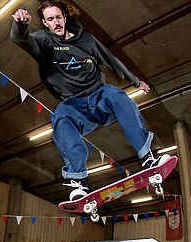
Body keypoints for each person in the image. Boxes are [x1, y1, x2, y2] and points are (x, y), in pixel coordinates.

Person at [10, 1, 168, 201]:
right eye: (50, 19)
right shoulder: (43, 41)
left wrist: (135, 82)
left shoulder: (88, 41)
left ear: (65, 18)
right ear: (44, 22)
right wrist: (21, 25)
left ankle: (148, 158)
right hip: (76, 107)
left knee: (117, 95)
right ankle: (80, 182)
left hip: (99, 98)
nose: (56, 23)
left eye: (58, 17)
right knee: (61, 115)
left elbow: (111, 60)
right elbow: (22, 40)